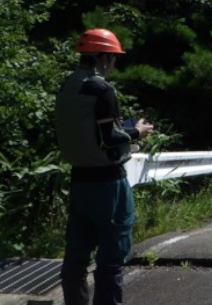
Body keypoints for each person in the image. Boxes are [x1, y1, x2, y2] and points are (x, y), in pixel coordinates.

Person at [55, 28, 153, 305]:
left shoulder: (68, 85)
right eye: (114, 58)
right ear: (104, 57)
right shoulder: (102, 89)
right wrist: (137, 132)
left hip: (79, 180)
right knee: (112, 256)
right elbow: (109, 138)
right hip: (109, 184)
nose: (114, 64)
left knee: (76, 254)